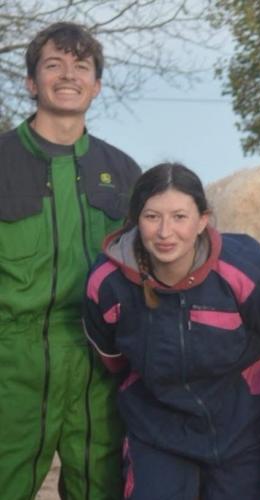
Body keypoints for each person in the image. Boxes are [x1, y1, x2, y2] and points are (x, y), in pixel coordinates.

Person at [82, 163, 260, 498]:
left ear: (202, 220)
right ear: (135, 219)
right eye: (152, 217)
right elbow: (113, 359)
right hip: (158, 428)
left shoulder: (245, 272)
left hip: (243, 426)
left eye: (179, 217)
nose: (165, 232)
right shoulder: (107, 283)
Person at [0, 21, 139, 499]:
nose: (68, 75)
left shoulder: (123, 172)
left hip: (99, 366)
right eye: (53, 64)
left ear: (96, 85)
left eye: (81, 66)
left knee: (101, 490)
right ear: (30, 82)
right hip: (10, 364)